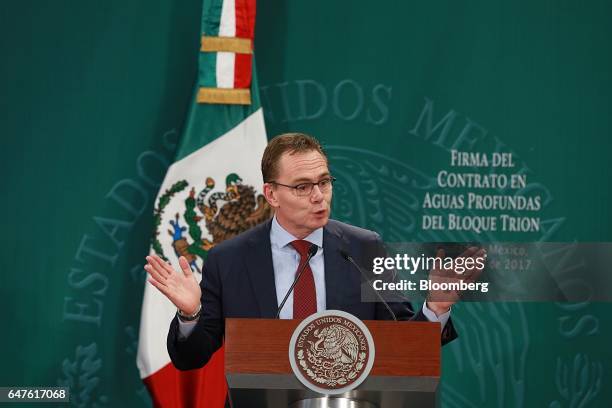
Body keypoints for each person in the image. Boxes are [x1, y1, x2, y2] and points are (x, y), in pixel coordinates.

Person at [145, 133, 470, 371]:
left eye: (324, 182)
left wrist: (434, 310)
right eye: (302, 187)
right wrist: (190, 315)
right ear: (271, 194)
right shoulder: (229, 259)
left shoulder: (364, 248)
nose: (319, 196)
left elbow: (402, 344)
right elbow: (191, 358)